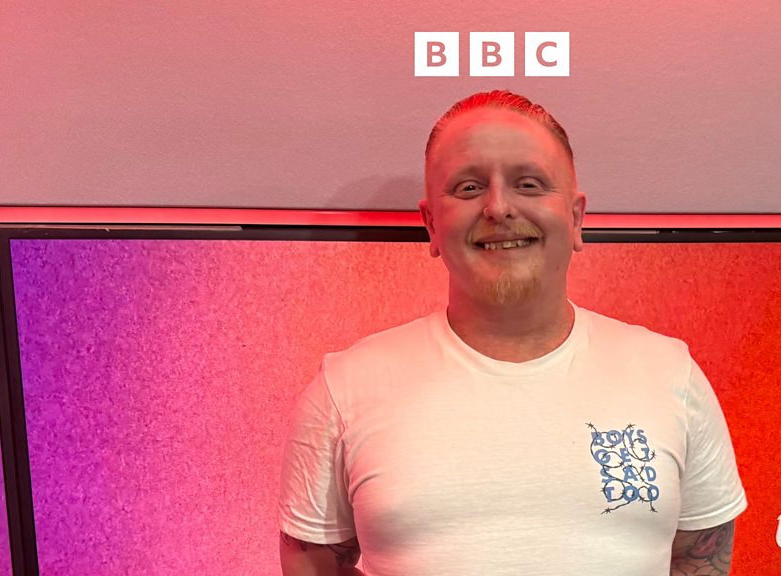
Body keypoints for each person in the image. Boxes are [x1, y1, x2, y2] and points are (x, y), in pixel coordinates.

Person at [278, 90, 746, 576]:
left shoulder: (670, 374)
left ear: (576, 217)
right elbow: (312, 560)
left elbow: (700, 557)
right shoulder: (345, 388)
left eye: (528, 184)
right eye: (468, 188)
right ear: (431, 224)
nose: (498, 207)